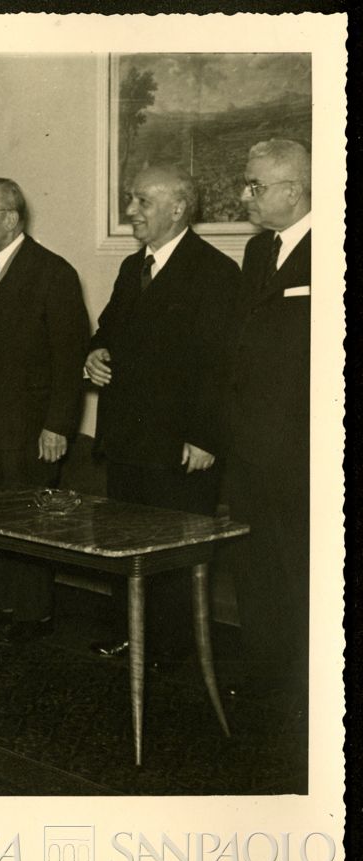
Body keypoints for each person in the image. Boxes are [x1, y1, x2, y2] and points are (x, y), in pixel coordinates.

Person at [85, 165, 241, 665]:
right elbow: (107, 330)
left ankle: (171, 651)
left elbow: (222, 365)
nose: (131, 211)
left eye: (142, 202)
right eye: (131, 200)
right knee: (124, 544)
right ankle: (130, 636)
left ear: (177, 209)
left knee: (172, 551)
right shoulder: (134, 268)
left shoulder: (215, 271)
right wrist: (94, 354)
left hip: (179, 444)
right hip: (126, 438)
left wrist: (204, 437)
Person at [0, 177, 89, 641]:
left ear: (10, 219)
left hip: (30, 428)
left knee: (27, 524)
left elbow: (70, 358)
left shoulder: (53, 273)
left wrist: (57, 426)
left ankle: (33, 615)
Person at [223, 138, 312, 706]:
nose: (244, 195)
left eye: (254, 186)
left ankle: (312, 684)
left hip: (304, 447)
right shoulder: (259, 253)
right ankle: (267, 672)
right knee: (256, 561)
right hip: (252, 443)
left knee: (305, 565)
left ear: (293, 189)